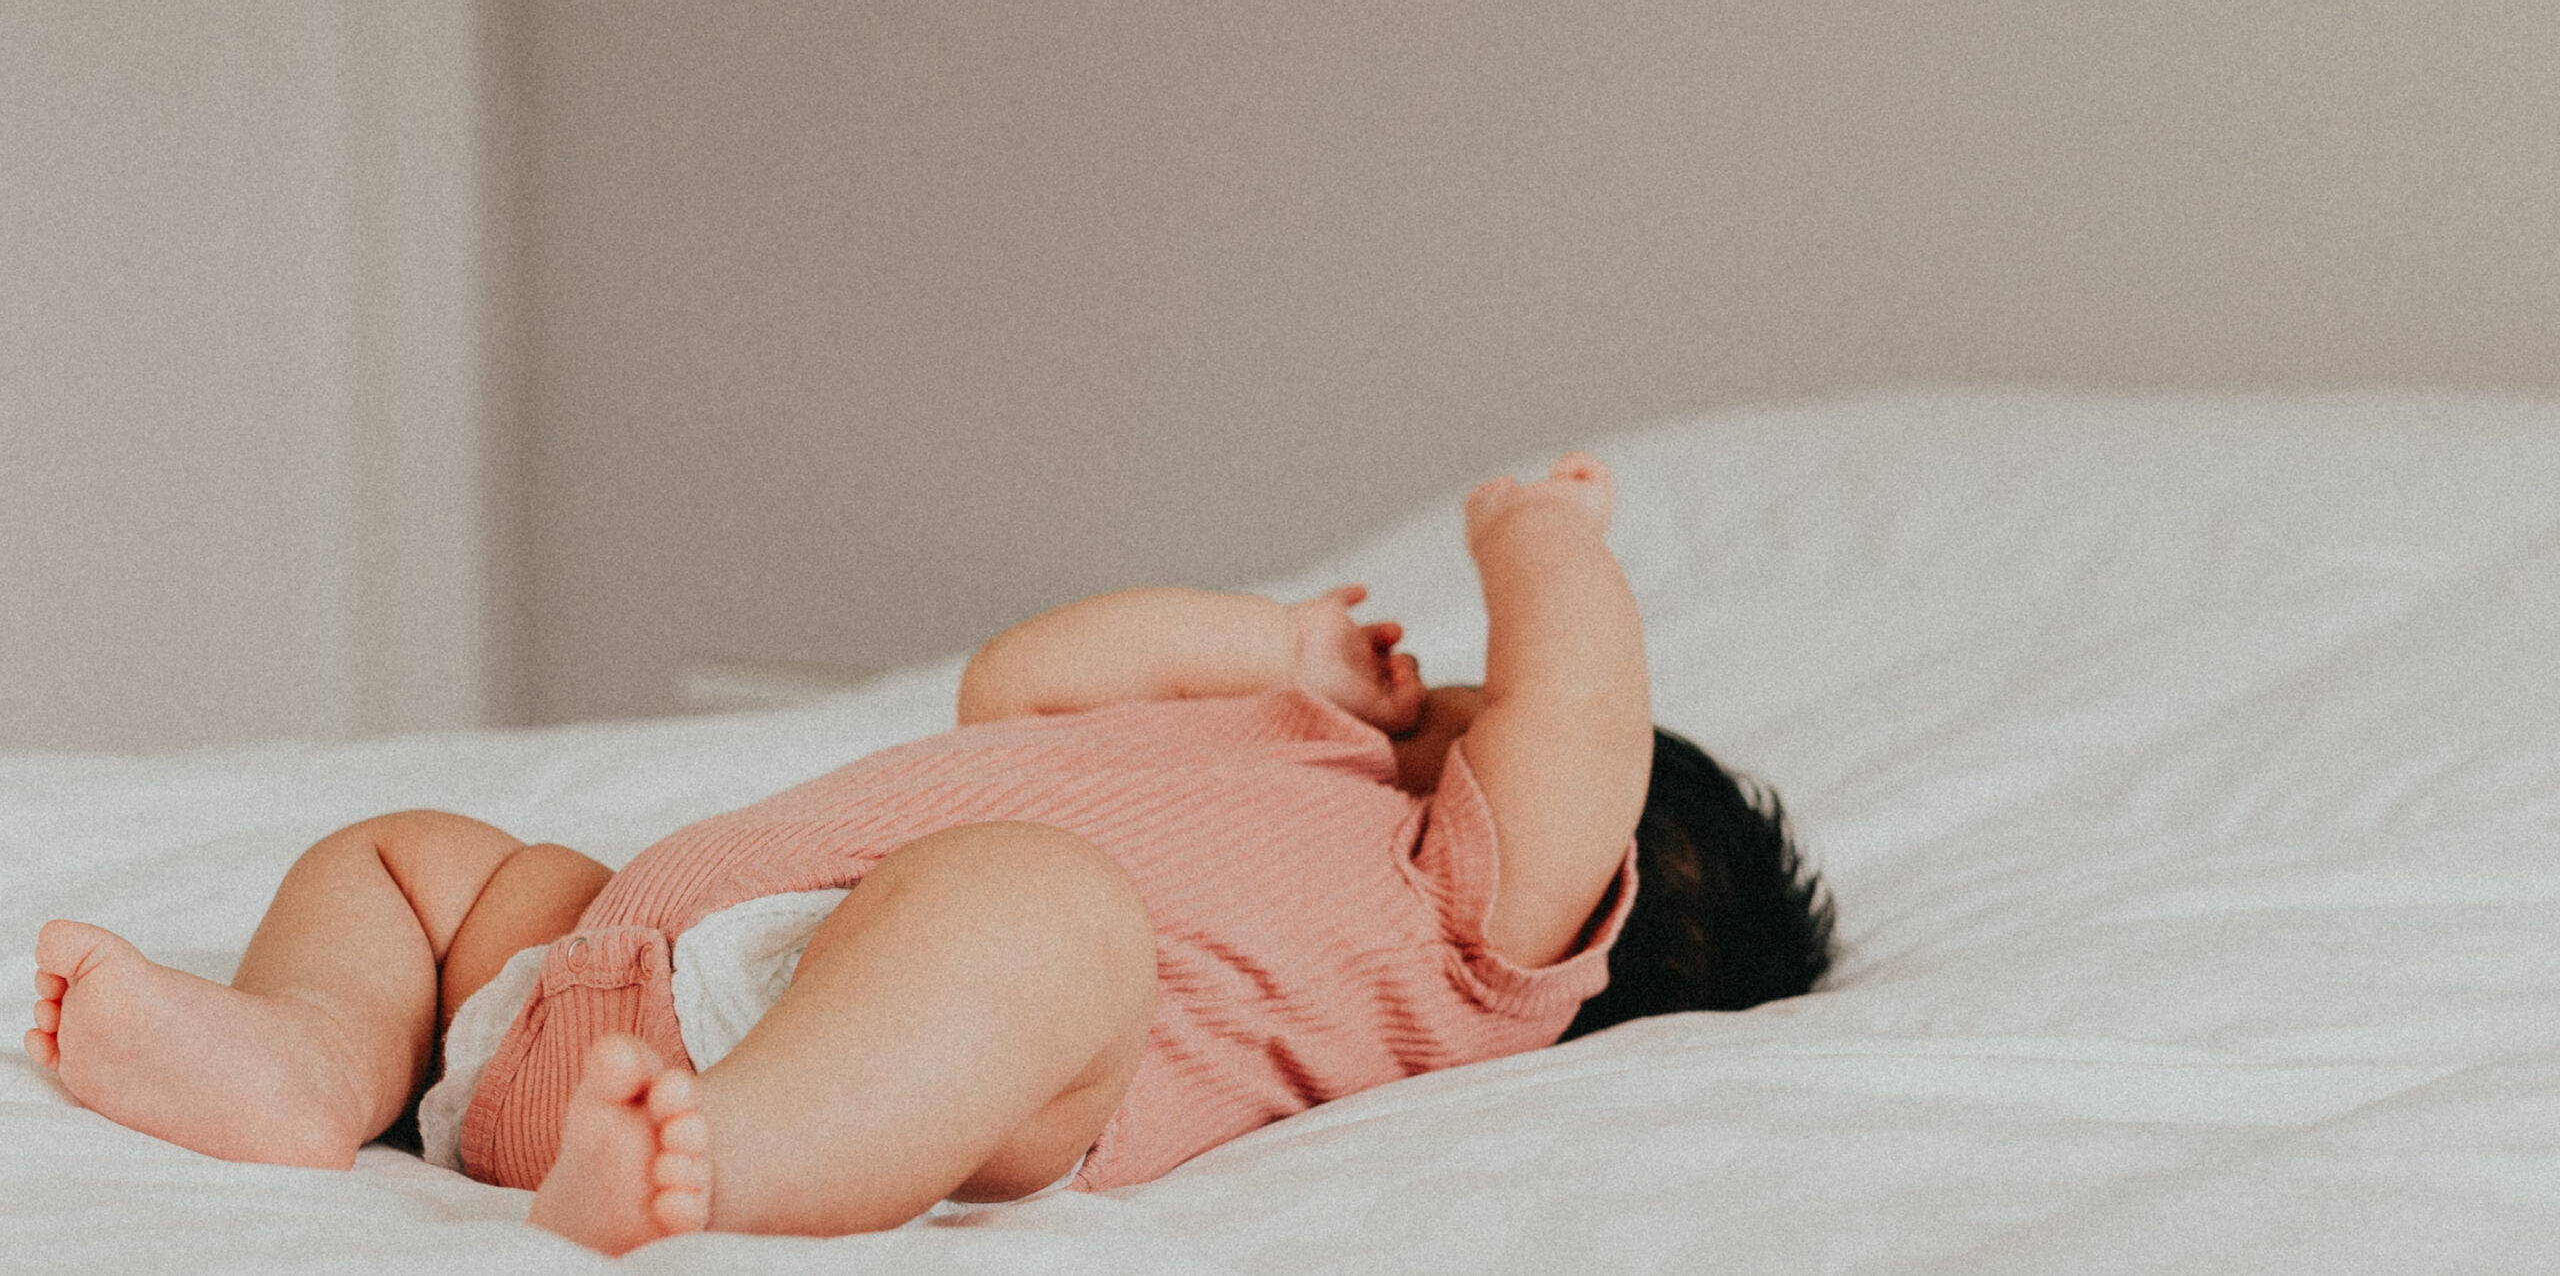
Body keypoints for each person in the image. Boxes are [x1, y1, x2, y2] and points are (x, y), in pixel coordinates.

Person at [25, 455, 1831, 1253]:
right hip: (597, 991)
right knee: (419, 859)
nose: (1438, 695)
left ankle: (719, 1169)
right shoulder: (1263, 735)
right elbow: (1016, 685)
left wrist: (1545, 541)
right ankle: (304, 1058)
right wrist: (1263, 647)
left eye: (1479, 706)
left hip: (919, 1078)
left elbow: (1582, 722)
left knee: (1050, 909)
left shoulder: (1473, 924)